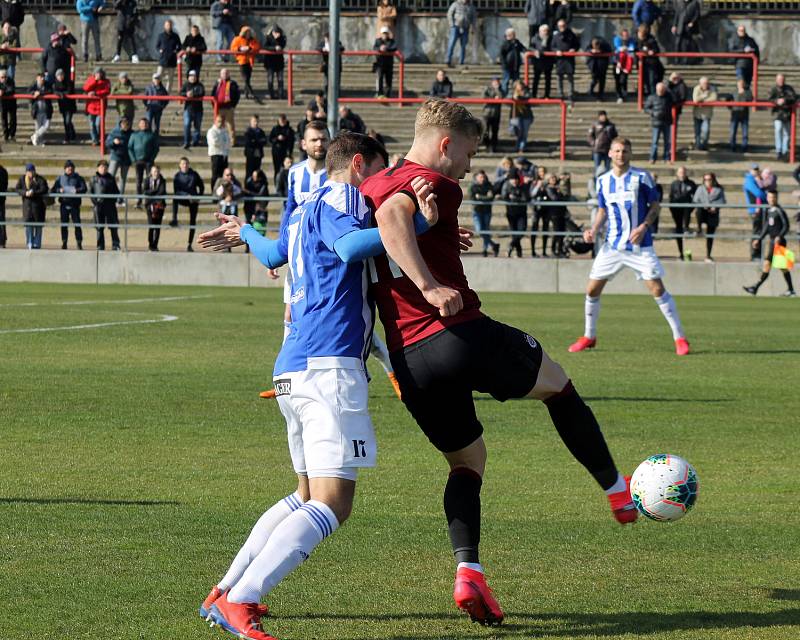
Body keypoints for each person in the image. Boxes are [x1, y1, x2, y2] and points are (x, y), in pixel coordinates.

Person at [359, 100, 639, 627]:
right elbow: (394, 219)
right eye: (467, 151)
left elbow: (379, 228)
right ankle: (616, 490)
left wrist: (435, 237)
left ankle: (469, 572)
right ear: (446, 143)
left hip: (408, 360)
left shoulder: (374, 181)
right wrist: (430, 284)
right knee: (558, 385)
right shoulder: (432, 183)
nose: (468, 164)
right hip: (455, 332)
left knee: (468, 462)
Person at [195, 131, 413, 640]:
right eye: (379, 172)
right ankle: (243, 599)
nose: (381, 185)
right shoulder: (344, 198)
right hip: (328, 367)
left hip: (293, 366)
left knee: (304, 492)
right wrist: (414, 223)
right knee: (333, 502)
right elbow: (351, 244)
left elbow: (274, 256)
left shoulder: (304, 203)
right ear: (359, 166)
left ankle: (225, 590)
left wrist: (244, 231)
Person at [569, 137, 690, 355]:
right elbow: (603, 210)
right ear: (610, 154)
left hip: (639, 246)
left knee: (657, 289)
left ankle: (680, 338)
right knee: (592, 289)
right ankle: (589, 335)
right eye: (616, 151)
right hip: (612, 246)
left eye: (624, 151)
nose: (620, 155)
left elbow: (655, 206)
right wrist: (594, 230)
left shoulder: (641, 177)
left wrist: (643, 226)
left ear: (630, 153)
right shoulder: (603, 180)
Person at [744, 190, 795, 297]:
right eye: (770, 197)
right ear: (767, 198)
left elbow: (786, 226)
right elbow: (767, 227)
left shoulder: (779, 211)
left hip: (779, 242)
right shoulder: (769, 210)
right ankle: (790, 290)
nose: (772, 199)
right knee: (781, 267)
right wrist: (759, 239)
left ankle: (755, 287)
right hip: (772, 242)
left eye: (774, 197)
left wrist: (779, 236)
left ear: (777, 198)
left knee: (770, 264)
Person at [51, 160, 87, 250]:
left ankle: (79, 243)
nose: (69, 169)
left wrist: (77, 190)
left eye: (71, 168)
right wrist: (60, 190)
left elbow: (84, 188)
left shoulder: (79, 178)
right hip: (64, 204)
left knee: (77, 225)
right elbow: (53, 189)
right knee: (64, 225)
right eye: (68, 168)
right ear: (65, 169)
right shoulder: (60, 178)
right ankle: (64, 242)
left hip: (75, 205)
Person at [171, 156, 205, 250]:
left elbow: (201, 186)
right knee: (174, 198)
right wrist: (186, 195)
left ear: (188, 165)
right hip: (183, 198)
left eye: (186, 164)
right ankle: (174, 219)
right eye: (183, 164)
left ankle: (189, 243)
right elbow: (176, 191)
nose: (185, 165)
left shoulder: (194, 174)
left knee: (192, 221)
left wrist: (198, 197)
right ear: (180, 165)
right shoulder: (177, 176)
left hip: (193, 200)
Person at [692, 171, 725, 262]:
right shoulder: (700, 189)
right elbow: (696, 200)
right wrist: (704, 205)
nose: (707, 181)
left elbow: (722, 201)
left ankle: (708, 255)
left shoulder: (719, 189)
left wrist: (715, 207)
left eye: (709, 179)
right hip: (703, 211)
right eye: (705, 179)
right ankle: (699, 228)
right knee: (698, 211)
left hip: (713, 214)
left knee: (710, 235)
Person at [128, 116, 159, 208]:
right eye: (142, 123)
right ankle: (139, 199)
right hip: (138, 161)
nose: (143, 125)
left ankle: (149, 199)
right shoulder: (134, 135)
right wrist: (133, 159)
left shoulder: (151, 135)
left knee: (149, 180)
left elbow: (156, 148)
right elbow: (130, 148)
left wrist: (151, 159)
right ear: (139, 125)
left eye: (145, 123)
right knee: (138, 181)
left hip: (148, 161)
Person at [89, 159, 121, 250]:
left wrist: (113, 200)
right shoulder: (93, 179)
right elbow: (90, 192)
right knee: (99, 227)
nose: (103, 169)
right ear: (98, 168)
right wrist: (95, 202)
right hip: (98, 206)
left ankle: (115, 244)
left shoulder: (111, 178)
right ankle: (100, 246)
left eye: (105, 167)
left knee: (113, 227)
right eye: (102, 167)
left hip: (110, 206)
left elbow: (116, 191)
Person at [17, 163, 48, 249]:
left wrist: (34, 192)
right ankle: (29, 243)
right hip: (27, 207)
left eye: (31, 171)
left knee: (38, 226)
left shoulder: (40, 179)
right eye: (28, 171)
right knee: (29, 226)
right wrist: (25, 193)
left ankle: (37, 244)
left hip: (38, 207)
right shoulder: (22, 179)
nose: (30, 173)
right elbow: (17, 189)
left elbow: (44, 189)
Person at [668, 166, 696, 260]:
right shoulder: (674, 184)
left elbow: (695, 198)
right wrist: (672, 208)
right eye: (680, 172)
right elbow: (671, 197)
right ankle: (680, 253)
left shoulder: (691, 184)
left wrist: (691, 207)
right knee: (678, 230)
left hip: (687, 210)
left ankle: (686, 228)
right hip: (676, 210)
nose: (682, 174)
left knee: (687, 211)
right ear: (677, 173)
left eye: (683, 172)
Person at [469, 170, 499, 257]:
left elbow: (491, 197)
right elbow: (473, 198)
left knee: (486, 230)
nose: (483, 179)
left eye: (484, 177)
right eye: (481, 177)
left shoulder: (489, 185)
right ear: (477, 178)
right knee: (480, 230)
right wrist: (485, 197)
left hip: (487, 211)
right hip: (477, 211)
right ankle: (494, 245)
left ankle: (485, 249)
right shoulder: (473, 186)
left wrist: (480, 197)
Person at [768, 74, 796, 160]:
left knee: (787, 134)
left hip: (787, 114)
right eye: (779, 79)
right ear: (776, 80)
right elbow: (769, 98)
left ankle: (784, 151)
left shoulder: (789, 88)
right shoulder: (773, 89)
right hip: (778, 114)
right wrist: (776, 101)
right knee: (778, 130)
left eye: (782, 79)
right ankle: (779, 150)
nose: (781, 81)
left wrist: (785, 100)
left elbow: (794, 98)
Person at [644, 81, 673, 163]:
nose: (661, 91)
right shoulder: (652, 97)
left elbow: (674, 100)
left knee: (667, 142)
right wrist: (653, 112)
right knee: (655, 142)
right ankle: (653, 157)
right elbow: (646, 108)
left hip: (667, 121)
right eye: (660, 90)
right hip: (656, 122)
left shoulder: (668, 96)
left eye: (663, 90)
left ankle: (666, 158)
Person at [552, 18, 578, 106]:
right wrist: (556, 51)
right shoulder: (555, 36)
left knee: (570, 77)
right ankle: (560, 94)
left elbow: (577, 44)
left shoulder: (571, 35)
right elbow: (552, 46)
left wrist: (573, 49)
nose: (561, 27)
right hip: (560, 60)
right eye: (560, 26)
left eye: (563, 26)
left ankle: (570, 94)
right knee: (559, 77)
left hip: (569, 59)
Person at [743, 163, 766, 261]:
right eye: (754, 169)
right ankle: (755, 254)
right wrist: (766, 195)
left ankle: (758, 254)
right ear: (750, 170)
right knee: (757, 232)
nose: (756, 171)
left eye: (757, 169)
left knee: (760, 231)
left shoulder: (755, 180)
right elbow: (758, 193)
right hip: (754, 210)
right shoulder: (749, 180)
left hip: (759, 210)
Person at [212, 68, 240, 144]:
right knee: (219, 125)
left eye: (226, 73)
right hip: (219, 107)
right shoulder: (217, 83)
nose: (224, 75)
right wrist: (214, 105)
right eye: (223, 73)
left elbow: (236, 95)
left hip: (228, 107)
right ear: (220, 74)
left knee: (230, 126)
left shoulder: (232, 83)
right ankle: (220, 141)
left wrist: (233, 105)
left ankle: (232, 142)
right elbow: (213, 94)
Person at [83, 66, 110, 146]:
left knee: (99, 124)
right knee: (92, 125)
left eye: (99, 73)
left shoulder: (106, 81)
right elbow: (86, 88)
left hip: (101, 106)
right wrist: (94, 80)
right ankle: (94, 140)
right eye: (97, 73)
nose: (98, 75)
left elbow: (107, 90)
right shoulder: (91, 79)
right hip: (91, 106)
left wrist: (96, 93)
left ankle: (101, 139)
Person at [230, 25, 259, 100]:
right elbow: (233, 48)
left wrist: (249, 48)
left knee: (248, 78)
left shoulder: (253, 40)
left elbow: (257, 47)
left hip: (250, 61)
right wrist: (240, 48)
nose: (248, 34)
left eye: (249, 33)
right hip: (242, 61)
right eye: (247, 32)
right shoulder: (237, 39)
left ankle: (246, 93)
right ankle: (251, 92)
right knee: (245, 78)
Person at [143, 164, 166, 251]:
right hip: (149, 205)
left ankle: (155, 245)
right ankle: (150, 244)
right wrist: (155, 191)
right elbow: (145, 191)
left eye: (157, 171)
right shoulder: (147, 180)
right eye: (154, 171)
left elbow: (162, 192)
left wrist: (152, 193)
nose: (156, 173)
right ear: (151, 172)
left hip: (160, 206)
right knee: (151, 225)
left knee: (157, 226)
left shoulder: (162, 180)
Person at [529, 165, 551, 257]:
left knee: (545, 229)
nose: (541, 173)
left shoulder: (548, 183)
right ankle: (533, 251)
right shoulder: (534, 183)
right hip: (536, 209)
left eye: (543, 171)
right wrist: (538, 186)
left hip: (546, 209)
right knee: (534, 228)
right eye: (540, 172)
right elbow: (532, 194)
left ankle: (544, 251)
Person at [445, 0, 475, 67]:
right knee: (451, 44)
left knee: (463, 45)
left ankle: (461, 61)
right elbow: (449, 13)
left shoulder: (471, 7)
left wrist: (473, 27)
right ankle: (448, 60)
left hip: (465, 28)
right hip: (456, 27)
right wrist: (452, 24)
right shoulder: (455, 4)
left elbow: (473, 18)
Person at [636, 24, 663, 97]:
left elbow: (656, 50)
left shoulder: (651, 40)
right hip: (643, 64)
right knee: (644, 82)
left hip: (651, 65)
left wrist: (652, 52)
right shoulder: (638, 41)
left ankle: (653, 97)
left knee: (652, 82)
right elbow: (636, 51)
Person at [155, 20, 181, 94]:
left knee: (170, 79)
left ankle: (167, 94)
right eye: (167, 25)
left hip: (172, 60)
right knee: (158, 76)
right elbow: (157, 46)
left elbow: (179, 46)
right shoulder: (161, 36)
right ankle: (158, 92)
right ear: (164, 26)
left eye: (169, 25)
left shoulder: (175, 36)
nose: (168, 27)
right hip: (162, 60)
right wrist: (160, 50)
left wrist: (176, 50)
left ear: (171, 26)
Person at [692, 77, 716, 151]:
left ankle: (704, 145)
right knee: (697, 131)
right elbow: (695, 100)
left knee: (705, 131)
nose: (706, 85)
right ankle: (698, 146)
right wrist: (704, 96)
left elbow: (714, 98)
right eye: (704, 83)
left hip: (707, 114)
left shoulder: (712, 89)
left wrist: (702, 101)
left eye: (707, 83)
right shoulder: (696, 88)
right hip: (697, 114)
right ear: (700, 84)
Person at [499, 27, 526, 95]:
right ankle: (504, 94)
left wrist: (526, 51)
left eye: (514, 34)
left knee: (516, 81)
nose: (514, 35)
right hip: (507, 66)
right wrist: (504, 65)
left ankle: (516, 95)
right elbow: (502, 55)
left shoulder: (516, 42)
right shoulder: (505, 43)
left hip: (515, 66)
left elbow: (523, 48)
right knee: (506, 81)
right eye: (512, 34)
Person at [529, 23, 553, 99]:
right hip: (538, 61)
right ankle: (533, 94)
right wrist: (535, 51)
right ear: (540, 31)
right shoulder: (534, 38)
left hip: (548, 61)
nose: (545, 32)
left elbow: (553, 47)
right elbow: (530, 47)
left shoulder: (551, 38)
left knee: (548, 79)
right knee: (536, 78)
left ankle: (547, 95)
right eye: (544, 31)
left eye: (547, 31)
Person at [182, 69, 205, 150]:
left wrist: (193, 95)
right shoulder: (185, 85)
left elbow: (201, 93)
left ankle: (195, 141)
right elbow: (181, 93)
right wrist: (186, 94)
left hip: (198, 109)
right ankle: (186, 142)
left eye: (194, 76)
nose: (192, 78)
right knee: (187, 125)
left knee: (197, 126)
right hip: (188, 109)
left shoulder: (200, 85)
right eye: (191, 76)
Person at [207, 115, 231, 190]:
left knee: (224, 175)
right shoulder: (211, 131)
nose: (220, 123)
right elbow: (214, 142)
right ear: (215, 121)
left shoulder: (224, 131)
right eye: (218, 121)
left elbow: (228, 142)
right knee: (216, 175)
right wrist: (223, 142)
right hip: (216, 154)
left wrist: (222, 143)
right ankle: (214, 193)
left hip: (224, 155)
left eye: (221, 121)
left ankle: (223, 192)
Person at [27, 73, 52, 147]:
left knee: (46, 125)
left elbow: (50, 91)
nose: (42, 79)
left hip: (46, 109)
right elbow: (28, 91)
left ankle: (34, 136)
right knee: (38, 126)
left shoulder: (47, 84)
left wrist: (40, 93)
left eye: (43, 77)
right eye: (41, 77)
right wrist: (34, 93)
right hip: (37, 110)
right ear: (37, 78)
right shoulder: (33, 85)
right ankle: (39, 141)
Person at [729, 77, 752, 153]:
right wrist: (731, 107)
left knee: (745, 132)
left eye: (742, 83)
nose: (741, 85)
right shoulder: (733, 92)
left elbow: (751, 99)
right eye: (739, 83)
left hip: (744, 114)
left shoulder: (748, 91)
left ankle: (744, 147)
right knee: (733, 132)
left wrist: (744, 93)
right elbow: (728, 100)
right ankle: (732, 146)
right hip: (735, 113)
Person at [263, 24, 286, 100]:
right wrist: (274, 48)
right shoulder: (268, 37)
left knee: (280, 80)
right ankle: (271, 95)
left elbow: (282, 45)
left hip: (279, 62)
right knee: (270, 80)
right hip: (270, 62)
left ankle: (280, 95)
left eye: (277, 32)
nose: (276, 34)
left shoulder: (282, 38)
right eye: (274, 32)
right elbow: (265, 46)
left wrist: (278, 39)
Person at [268, 113, 295, 179]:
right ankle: (277, 184)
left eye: (283, 120)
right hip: (277, 152)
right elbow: (270, 139)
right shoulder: (275, 128)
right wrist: (277, 138)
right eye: (281, 120)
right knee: (277, 169)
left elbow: (291, 141)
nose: (282, 122)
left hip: (286, 152)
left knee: (287, 169)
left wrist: (289, 152)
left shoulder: (289, 130)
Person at [508, 80, 532, 153]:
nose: (520, 87)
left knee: (524, 133)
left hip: (526, 115)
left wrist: (519, 97)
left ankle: (521, 148)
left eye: (521, 85)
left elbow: (528, 97)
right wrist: (513, 97)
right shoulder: (512, 92)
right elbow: (507, 97)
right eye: (518, 85)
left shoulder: (527, 92)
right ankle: (518, 146)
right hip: (516, 115)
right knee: (519, 132)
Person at [373, 26, 397, 98]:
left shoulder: (392, 41)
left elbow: (394, 48)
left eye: (386, 33)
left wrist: (386, 48)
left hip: (389, 64)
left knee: (388, 80)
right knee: (379, 78)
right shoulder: (378, 41)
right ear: (381, 34)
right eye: (383, 33)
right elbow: (375, 48)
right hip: (380, 63)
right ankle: (380, 93)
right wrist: (380, 48)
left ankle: (387, 94)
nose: (385, 35)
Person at [481, 77, 504, 152]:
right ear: (492, 82)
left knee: (495, 131)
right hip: (487, 113)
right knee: (485, 130)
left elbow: (501, 97)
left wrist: (497, 90)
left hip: (496, 114)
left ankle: (493, 146)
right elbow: (484, 98)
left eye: (497, 82)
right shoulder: (487, 89)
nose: (496, 83)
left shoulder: (500, 90)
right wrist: (494, 99)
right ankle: (487, 144)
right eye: (495, 82)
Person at [612, 28, 634, 103]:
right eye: (624, 35)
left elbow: (632, 47)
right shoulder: (617, 39)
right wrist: (622, 48)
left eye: (627, 35)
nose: (625, 36)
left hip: (626, 64)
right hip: (617, 63)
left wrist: (626, 49)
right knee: (617, 80)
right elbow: (617, 47)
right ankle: (619, 96)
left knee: (624, 79)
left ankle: (624, 93)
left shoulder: (631, 40)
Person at [0, 66, 16, 140]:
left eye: (5, 77)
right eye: (2, 77)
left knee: (13, 119)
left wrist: (2, 91)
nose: (4, 79)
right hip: (3, 103)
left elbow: (11, 89)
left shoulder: (11, 80)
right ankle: (5, 134)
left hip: (11, 102)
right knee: (4, 119)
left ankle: (12, 133)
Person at [0, 160, 6, 247]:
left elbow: (4, 185)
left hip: (0, 201)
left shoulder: (2, 171)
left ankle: (1, 241)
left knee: (1, 221)